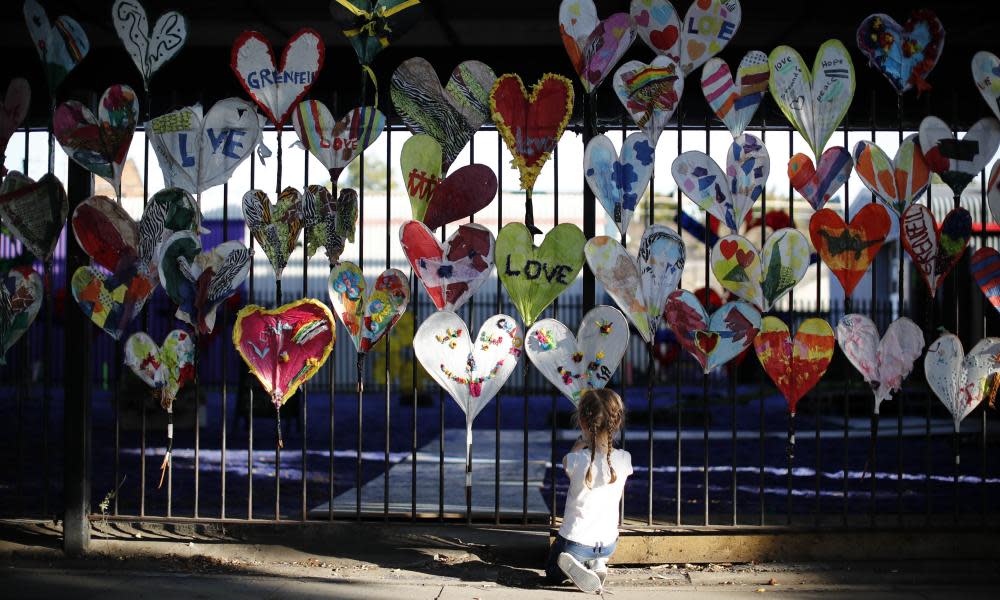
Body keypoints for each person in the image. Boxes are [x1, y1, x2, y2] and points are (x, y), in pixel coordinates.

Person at [544, 388, 631, 593]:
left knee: (551, 570)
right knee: (598, 545)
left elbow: (566, 463)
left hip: (575, 543)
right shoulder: (624, 459)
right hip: (609, 543)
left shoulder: (577, 460)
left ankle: (578, 565)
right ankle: (598, 564)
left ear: (582, 422)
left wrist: (578, 445)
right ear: (617, 423)